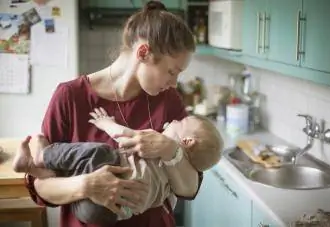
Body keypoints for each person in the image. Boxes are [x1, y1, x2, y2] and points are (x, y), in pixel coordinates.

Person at [24, 1, 204, 227]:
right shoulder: (70, 96)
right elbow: (41, 187)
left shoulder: (169, 101)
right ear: (143, 52)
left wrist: (171, 150)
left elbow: (189, 187)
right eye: (171, 71)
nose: (174, 83)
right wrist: (86, 185)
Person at [14, 108, 223, 226]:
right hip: (103, 216)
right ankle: (35, 169)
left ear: (186, 142)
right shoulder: (173, 186)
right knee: (81, 171)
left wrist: (106, 123)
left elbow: (124, 136)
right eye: (172, 71)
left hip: (99, 204)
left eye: (180, 121)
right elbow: (183, 191)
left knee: (102, 153)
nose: (174, 119)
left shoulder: (158, 143)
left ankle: (43, 156)